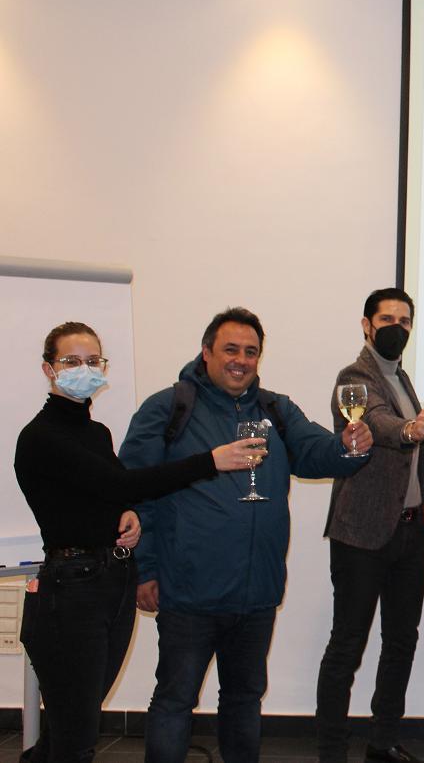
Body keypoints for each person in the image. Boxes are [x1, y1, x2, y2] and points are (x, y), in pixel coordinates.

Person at [118, 307, 374, 762]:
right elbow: (135, 491)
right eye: (230, 349)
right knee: (176, 701)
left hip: (257, 591)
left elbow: (315, 451)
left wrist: (347, 448)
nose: (241, 360)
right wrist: (146, 569)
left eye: (251, 352)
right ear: (207, 352)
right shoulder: (170, 407)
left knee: (243, 701)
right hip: (189, 589)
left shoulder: (276, 408)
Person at [13, 322, 258, 763]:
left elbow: (107, 493)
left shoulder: (96, 433)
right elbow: (117, 481)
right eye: (72, 361)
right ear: (49, 369)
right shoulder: (40, 436)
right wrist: (210, 461)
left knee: (74, 723)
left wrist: (124, 515)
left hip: (113, 582)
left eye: (93, 361)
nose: (84, 369)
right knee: (76, 736)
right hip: (70, 592)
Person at [315, 289, 424, 763]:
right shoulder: (356, 376)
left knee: (401, 641)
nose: (397, 327)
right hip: (362, 533)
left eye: (405, 320)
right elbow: (380, 425)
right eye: (387, 318)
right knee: (348, 644)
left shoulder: (404, 377)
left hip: (411, 532)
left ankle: (382, 740)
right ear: (367, 325)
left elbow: (419, 451)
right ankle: (331, 750)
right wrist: (411, 429)